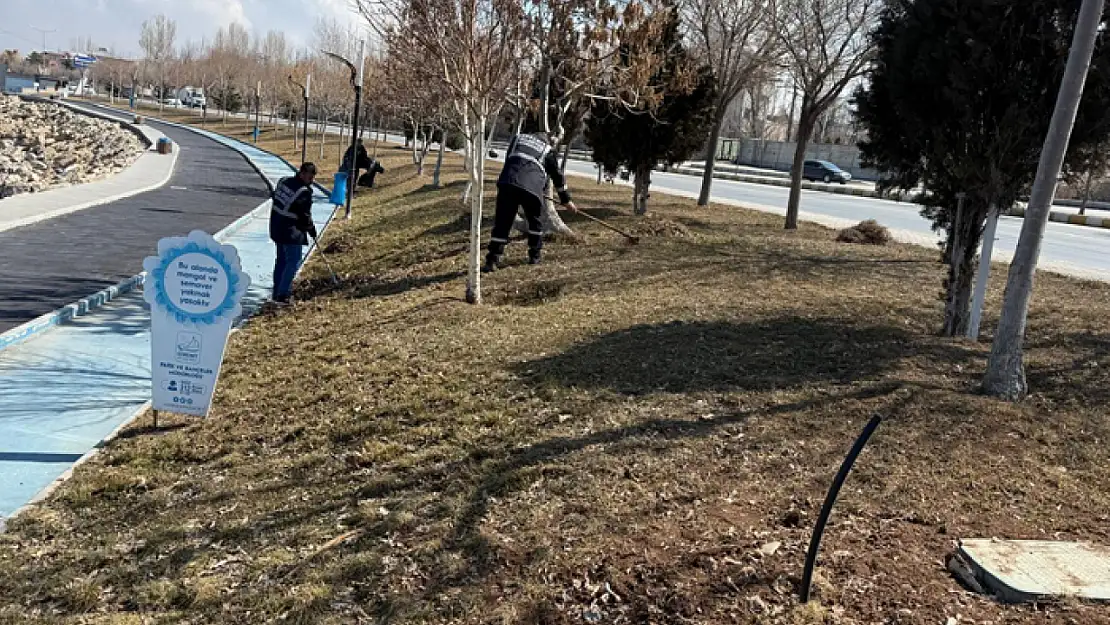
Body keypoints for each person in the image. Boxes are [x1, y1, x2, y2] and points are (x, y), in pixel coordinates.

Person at [483, 132, 578, 272]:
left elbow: (510, 159)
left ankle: (492, 260)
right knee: (535, 221)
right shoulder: (547, 150)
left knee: (502, 222)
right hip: (532, 188)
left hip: (508, 182)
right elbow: (557, 176)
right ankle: (534, 256)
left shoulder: (518, 138)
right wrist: (566, 200)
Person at [269, 162, 318, 303]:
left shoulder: (283, 181)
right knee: (294, 261)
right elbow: (304, 215)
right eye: (310, 178)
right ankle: (283, 294)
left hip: (276, 226)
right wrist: (312, 230)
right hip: (291, 231)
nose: (311, 181)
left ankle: (277, 291)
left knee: (281, 261)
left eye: (313, 178)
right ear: (302, 174)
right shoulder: (303, 192)